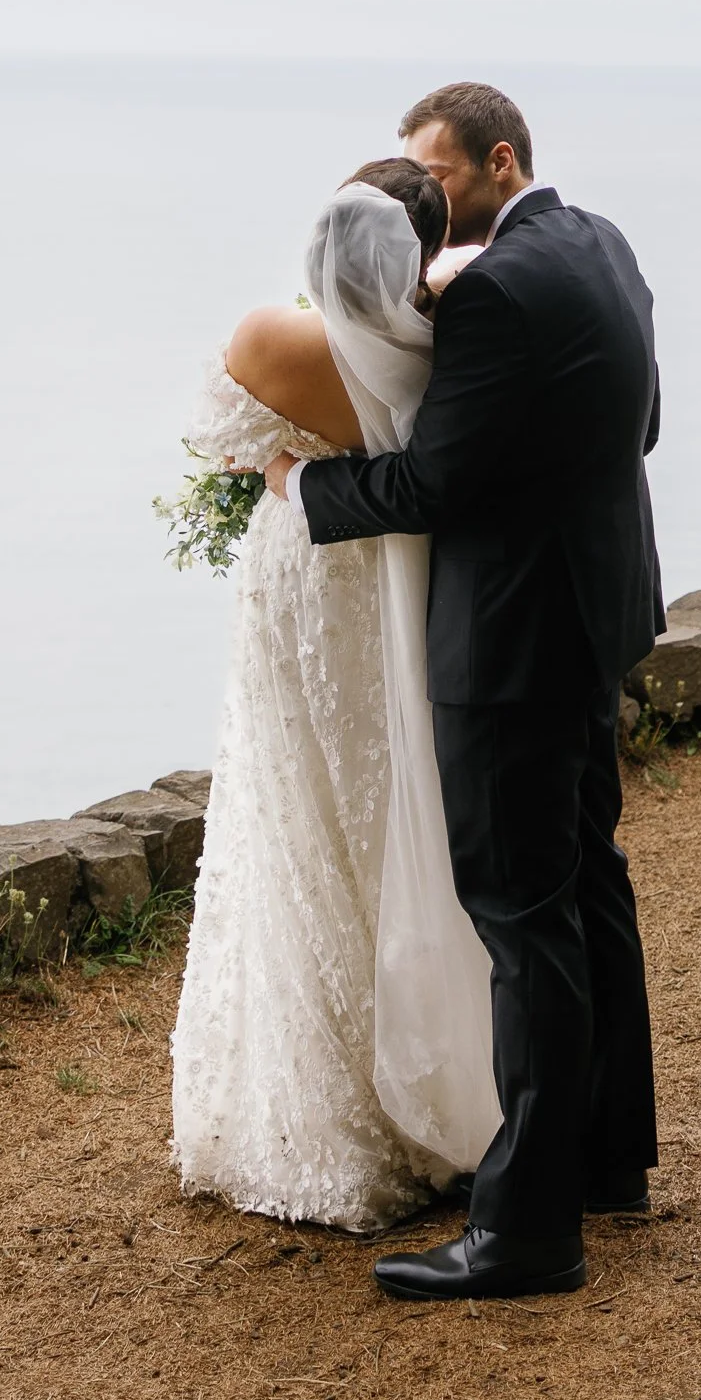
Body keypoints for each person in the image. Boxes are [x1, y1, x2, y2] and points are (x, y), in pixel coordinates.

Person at [268, 80, 664, 1304]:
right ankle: (606, 1158)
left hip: (511, 645)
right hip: (596, 614)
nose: (421, 202)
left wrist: (299, 490)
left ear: (498, 163)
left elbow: (431, 485)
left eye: (435, 178)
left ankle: (528, 1231)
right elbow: (639, 427)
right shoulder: (598, 244)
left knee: (521, 918)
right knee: (586, 883)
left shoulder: (493, 294)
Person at [171, 158, 500, 1229]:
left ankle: (314, 1111)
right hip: (400, 595)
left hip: (301, 589)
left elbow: (221, 444)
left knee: (296, 820)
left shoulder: (275, 338)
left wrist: (285, 464)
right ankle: (430, 1093)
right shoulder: (441, 351)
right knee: (392, 818)